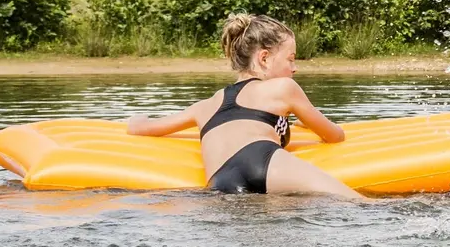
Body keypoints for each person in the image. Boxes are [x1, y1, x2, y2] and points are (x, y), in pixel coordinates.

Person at [125, 14, 361, 198]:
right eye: (290, 59)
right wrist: (311, 121)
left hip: (221, 181)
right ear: (264, 58)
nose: (294, 68)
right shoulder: (283, 88)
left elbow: (141, 128)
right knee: (360, 205)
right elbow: (335, 136)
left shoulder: (204, 106)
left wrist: (138, 119)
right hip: (262, 159)